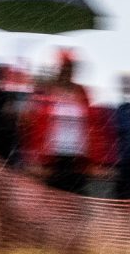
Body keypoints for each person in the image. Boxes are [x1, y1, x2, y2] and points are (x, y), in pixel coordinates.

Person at [22, 51, 97, 193]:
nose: (67, 72)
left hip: (76, 158)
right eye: (64, 67)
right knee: (51, 195)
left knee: (74, 195)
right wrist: (34, 157)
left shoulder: (82, 92)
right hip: (52, 158)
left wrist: (93, 160)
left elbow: (92, 125)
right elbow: (33, 125)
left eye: (70, 68)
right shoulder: (46, 91)